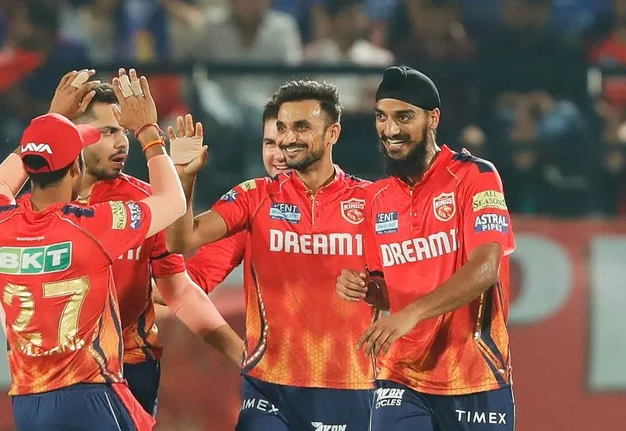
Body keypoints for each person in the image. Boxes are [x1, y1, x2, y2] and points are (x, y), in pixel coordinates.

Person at [0, 68, 186, 431]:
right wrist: (150, 133)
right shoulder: (93, 226)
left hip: (27, 400)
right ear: (76, 167)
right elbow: (172, 201)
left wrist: (49, 120)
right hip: (89, 392)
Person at [166, 80, 378, 430]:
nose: (287, 138)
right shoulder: (255, 196)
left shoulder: (371, 201)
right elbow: (182, 240)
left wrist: (375, 290)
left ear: (333, 134)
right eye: (281, 128)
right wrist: (184, 179)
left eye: (301, 127)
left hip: (350, 385)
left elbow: (404, 277)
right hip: (269, 385)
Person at [336, 66, 516, 431]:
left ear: (433, 118)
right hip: (401, 374)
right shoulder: (377, 198)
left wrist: (411, 313)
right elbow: (389, 289)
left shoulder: (475, 176)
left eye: (404, 117)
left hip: (474, 374)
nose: (390, 130)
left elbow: (485, 269)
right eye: (382, 117)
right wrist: (366, 289)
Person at [69, 82, 244, 415]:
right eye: (107, 131)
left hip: (131, 367)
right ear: (77, 135)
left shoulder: (148, 204)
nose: (121, 143)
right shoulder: (42, 207)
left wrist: (243, 354)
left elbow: (179, 291)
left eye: (124, 132)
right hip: (59, 371)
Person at [185, 101, 287, 293]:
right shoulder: (252, 203)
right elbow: (193, 280)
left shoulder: (360, 201)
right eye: (270, 143)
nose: (279, 156)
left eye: (291, 144)